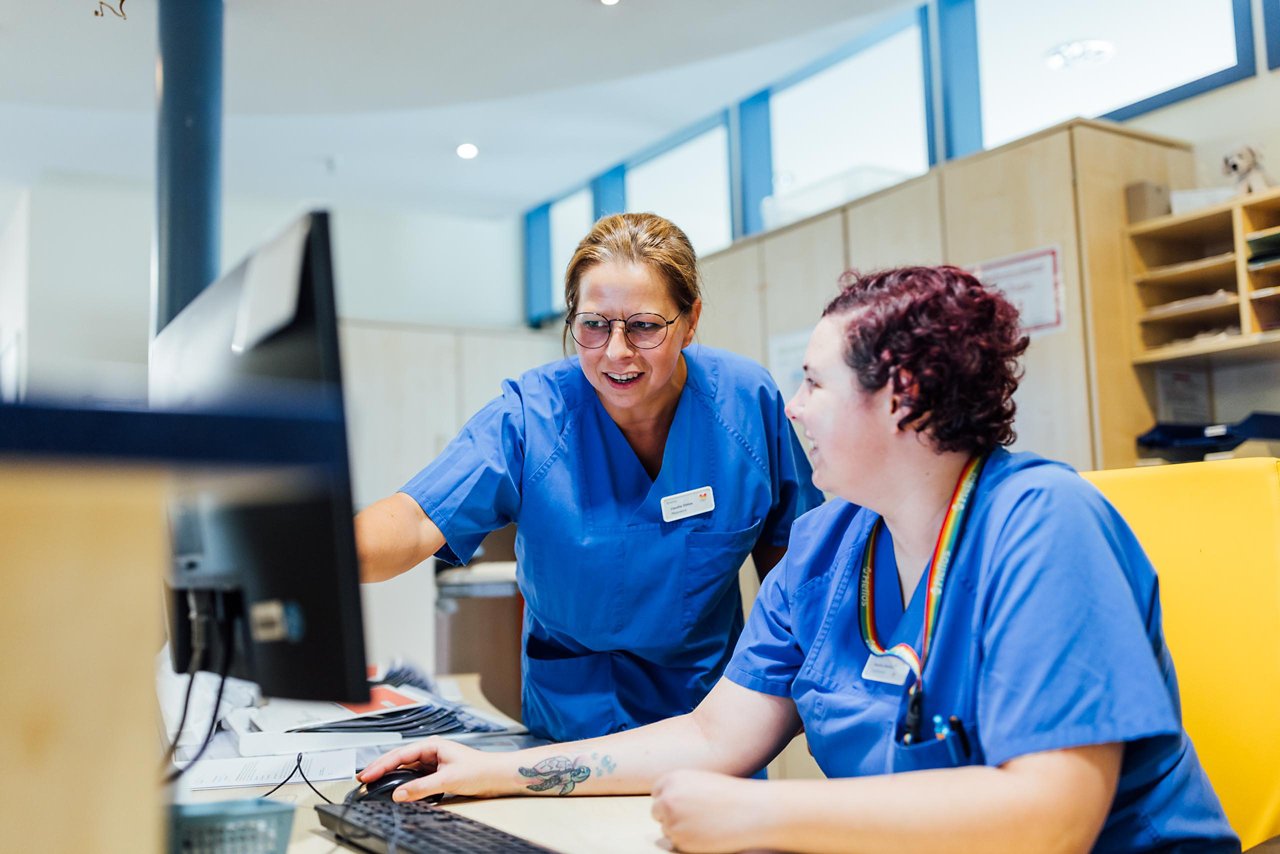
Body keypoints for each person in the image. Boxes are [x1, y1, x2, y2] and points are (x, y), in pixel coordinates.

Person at [357, 266, 1239, 854]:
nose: (791, 407)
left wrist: (764, 811)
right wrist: (490, 772)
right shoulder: (825, 549)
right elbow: (712, 736)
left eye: (814, 382)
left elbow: (1053, 816)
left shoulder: (1044, 526)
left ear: (905, 397)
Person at [355, 212, 823, 744]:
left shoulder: (745, 404)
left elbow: (795, 566)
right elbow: (416, 518)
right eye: (593, 325)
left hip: (707, 724)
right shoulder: (531, 415)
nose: (616, 352)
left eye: (645, 326)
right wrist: (301, 563)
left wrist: (788, 694)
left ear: (690, 320)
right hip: (571, 726)